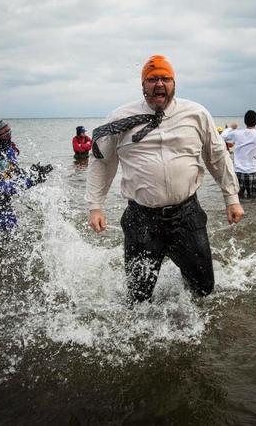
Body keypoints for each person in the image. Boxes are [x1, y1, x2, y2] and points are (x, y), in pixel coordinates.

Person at [86, 55, 244, 304]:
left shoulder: (196, 114)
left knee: (203, 289)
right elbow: (101, 161)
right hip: (141, 219)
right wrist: (96, 205)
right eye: (152, 79)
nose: (159, 83)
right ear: (143, 85)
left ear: (174, 83)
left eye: (165, 78)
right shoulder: (120, 119)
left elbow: (217, 156)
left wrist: (231, 198)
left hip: (187, 214)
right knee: (138, 298)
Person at [0, 119, 53, 234]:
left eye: (9, 131)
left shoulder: (7, 151)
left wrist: (31, 172)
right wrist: (30, 180)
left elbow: (10, 175)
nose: (9, 136)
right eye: (4, 133)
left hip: (6, 210)